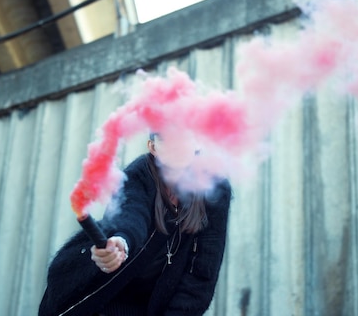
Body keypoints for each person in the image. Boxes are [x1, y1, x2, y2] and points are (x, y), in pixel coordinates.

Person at [39, 133, 232, 316]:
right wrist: (122, 241)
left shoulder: (215, 188)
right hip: (91, 298)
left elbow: (202, 273)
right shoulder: (139, 173)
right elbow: (131, 215)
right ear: (153, 147)